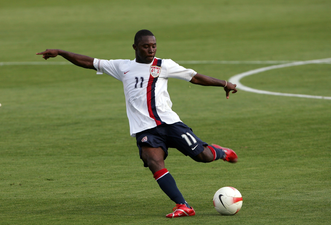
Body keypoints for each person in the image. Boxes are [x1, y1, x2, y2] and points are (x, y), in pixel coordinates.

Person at [36, 29, 238, 218]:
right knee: (153, 162)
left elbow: (194, 78)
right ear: (135, 47)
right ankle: (183, 205)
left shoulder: (163, 65)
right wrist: (61, 52)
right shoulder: (122, 67)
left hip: (171, 123)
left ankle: (221, 152)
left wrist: (224, 83)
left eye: (153, 45)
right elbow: (89, 62)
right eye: (145, 46)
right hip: (145, 128)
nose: (151, 49)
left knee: (203, 156)